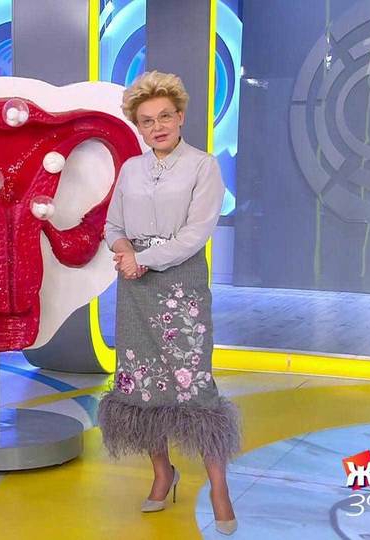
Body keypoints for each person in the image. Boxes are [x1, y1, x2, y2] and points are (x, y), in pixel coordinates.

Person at [98, 71, 240, 534]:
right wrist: (125, 252)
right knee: (141, 385)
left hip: (181, 286)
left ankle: (219, 488)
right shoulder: (130, 169)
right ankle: (163, 473)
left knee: (194, 385)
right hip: (135, 287)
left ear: (180, 117)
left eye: (164, 116)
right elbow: (113, 225)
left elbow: (196, 234)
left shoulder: (203, 166)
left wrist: (142, 259)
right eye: (146, 120)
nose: (156, 126)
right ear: (138, 126)